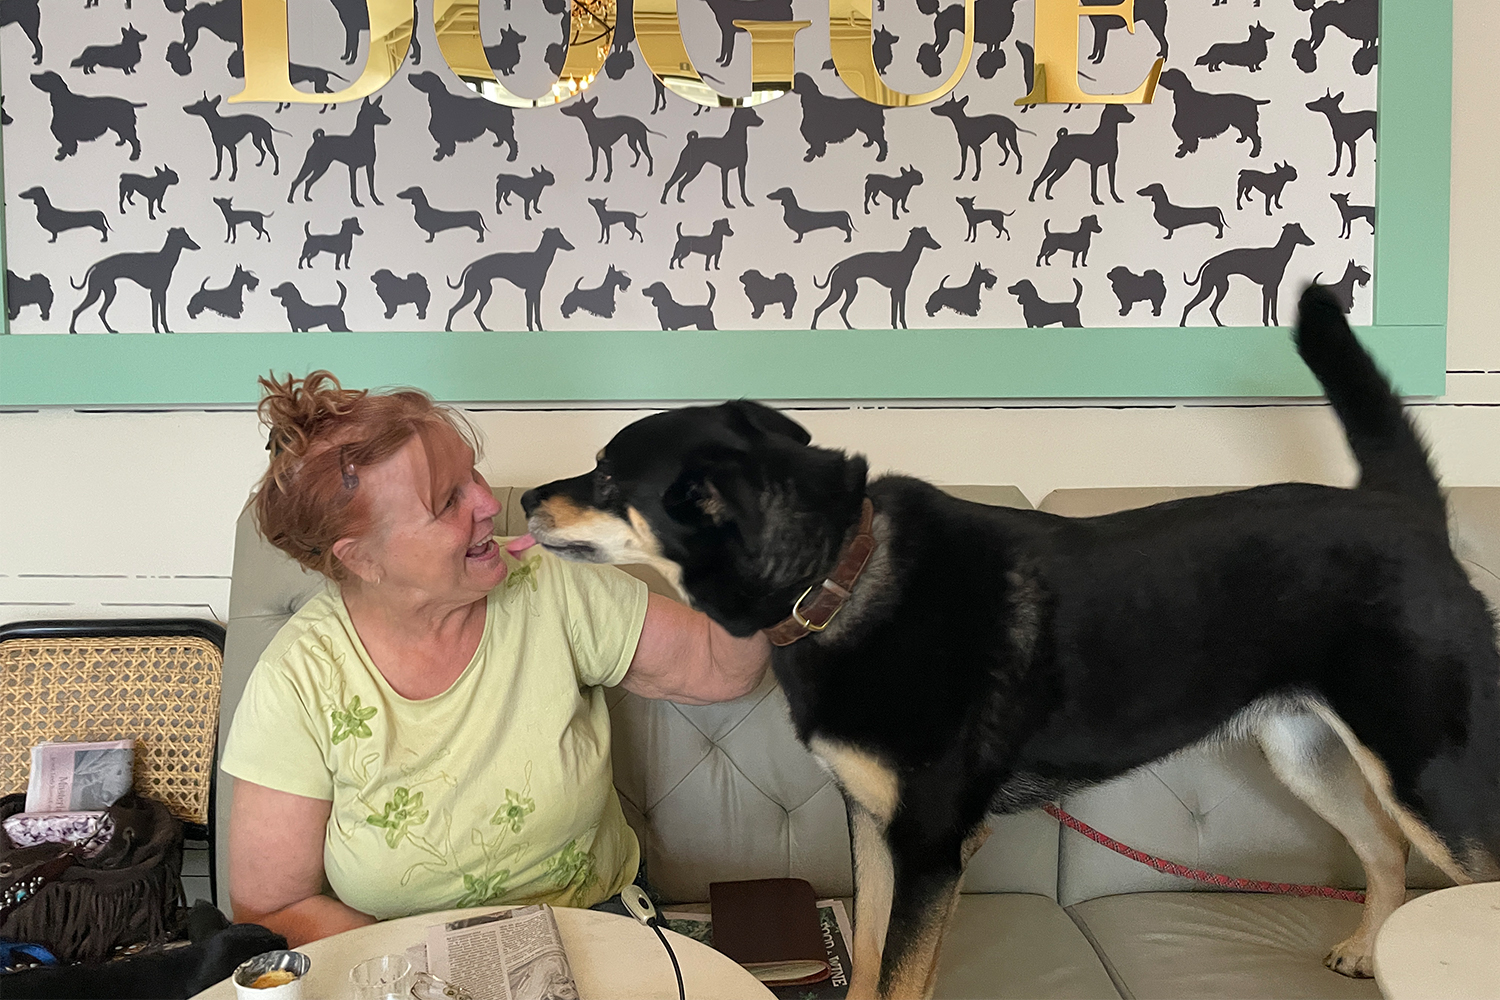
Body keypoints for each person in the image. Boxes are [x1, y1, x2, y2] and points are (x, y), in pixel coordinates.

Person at [221, 372, 770, 947]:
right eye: (447, 501)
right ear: (363, 560)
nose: (488, 503)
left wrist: (749, 551)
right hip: (414, 971)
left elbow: (721, 668)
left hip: (598, 936)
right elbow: (274, 910)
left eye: (472, 473)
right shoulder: (301, 678)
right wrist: (444, 968)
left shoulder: (549, 588)